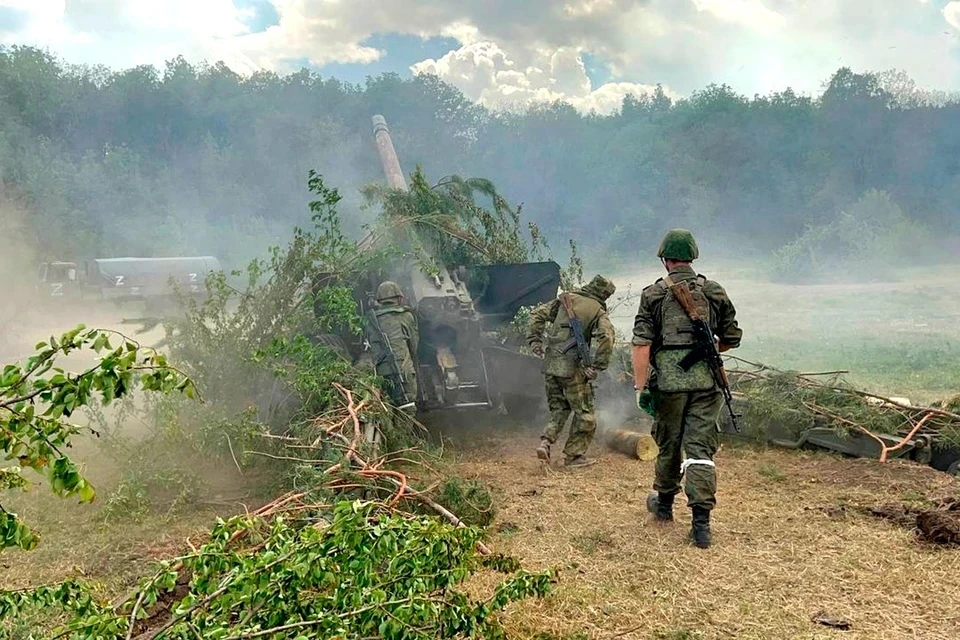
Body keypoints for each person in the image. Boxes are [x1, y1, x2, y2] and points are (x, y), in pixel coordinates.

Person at [631, 229, 742, 548]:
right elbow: (731, 337)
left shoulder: (652, 294)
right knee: (700, 450)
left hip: (668, 384)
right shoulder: (714, 290)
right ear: (692, 258)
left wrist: (641, 388)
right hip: (706, 383)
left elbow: (641, 345)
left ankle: (664, 506)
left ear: (665, 260)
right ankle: (701, 523)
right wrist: (706, 351)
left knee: (669, 443)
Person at [527, 275, 616, 468]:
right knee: (585, 414)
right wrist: (598, 366)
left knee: (560, 408)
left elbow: (536, 314)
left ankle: (546, 442)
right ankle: (574, 456)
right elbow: (607, 338)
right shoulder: (597, 311)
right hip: (572, 369)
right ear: (605, 295)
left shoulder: (565, 300)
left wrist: (535, 340)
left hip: (551, 365)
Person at [366, 281, 419, 412]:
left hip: (381, 372)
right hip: (403, 370)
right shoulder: (406, 316)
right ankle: (406, 431)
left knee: (388, 409)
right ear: (399, 298)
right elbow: (414, 345)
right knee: (407, 409)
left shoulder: (372, 320)